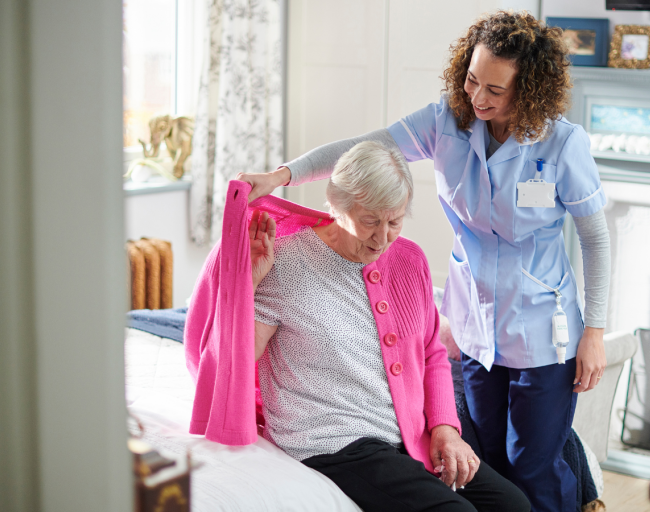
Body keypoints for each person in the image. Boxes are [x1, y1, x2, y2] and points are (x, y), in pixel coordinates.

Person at [238, 11, 610, 512]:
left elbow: (596, 239)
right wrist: (283, 175)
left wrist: (596, 332)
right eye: (472, 80)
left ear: (529, 91)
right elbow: (362, 149)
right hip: (474, 322)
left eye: (495, 91)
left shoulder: (563, 145)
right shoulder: (447, 122)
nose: (478, 98)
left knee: (534, 464)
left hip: (544, 327)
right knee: (492, 458)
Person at [248, 141, 530, 512]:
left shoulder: (410, 259)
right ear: (337, 203)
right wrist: (248, 285)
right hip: (332, 441)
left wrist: (445, 427)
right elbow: (234, 363)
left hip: (403, 434)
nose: (382, 238)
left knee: (513, 505)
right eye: (369, 222)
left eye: (394, 221)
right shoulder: (284, 263)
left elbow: (432, 353)